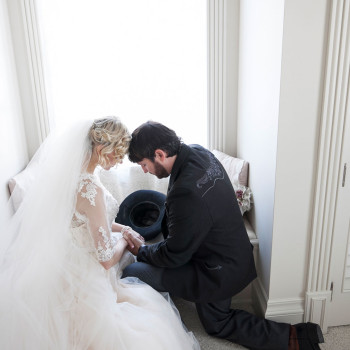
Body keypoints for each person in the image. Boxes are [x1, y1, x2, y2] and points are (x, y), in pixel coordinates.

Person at [122, 121, 325, 350]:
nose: (144, 170)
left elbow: (174, 255)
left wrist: (142, 251)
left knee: (134, 273)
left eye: (144, 164)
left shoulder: (185, 192)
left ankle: (298, 339)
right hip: (234, 251)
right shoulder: (198, 152)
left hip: (217, 271)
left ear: (159, 154)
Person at [0, 117, 200, 350]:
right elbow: (106, 259)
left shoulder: (73, 177)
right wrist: (126, 240)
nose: (118, 161)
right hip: (87, 273)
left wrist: (124, 228)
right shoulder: (90, 189)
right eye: (117, 153)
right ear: (101, 148)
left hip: (67, 260)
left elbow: (85, 221)